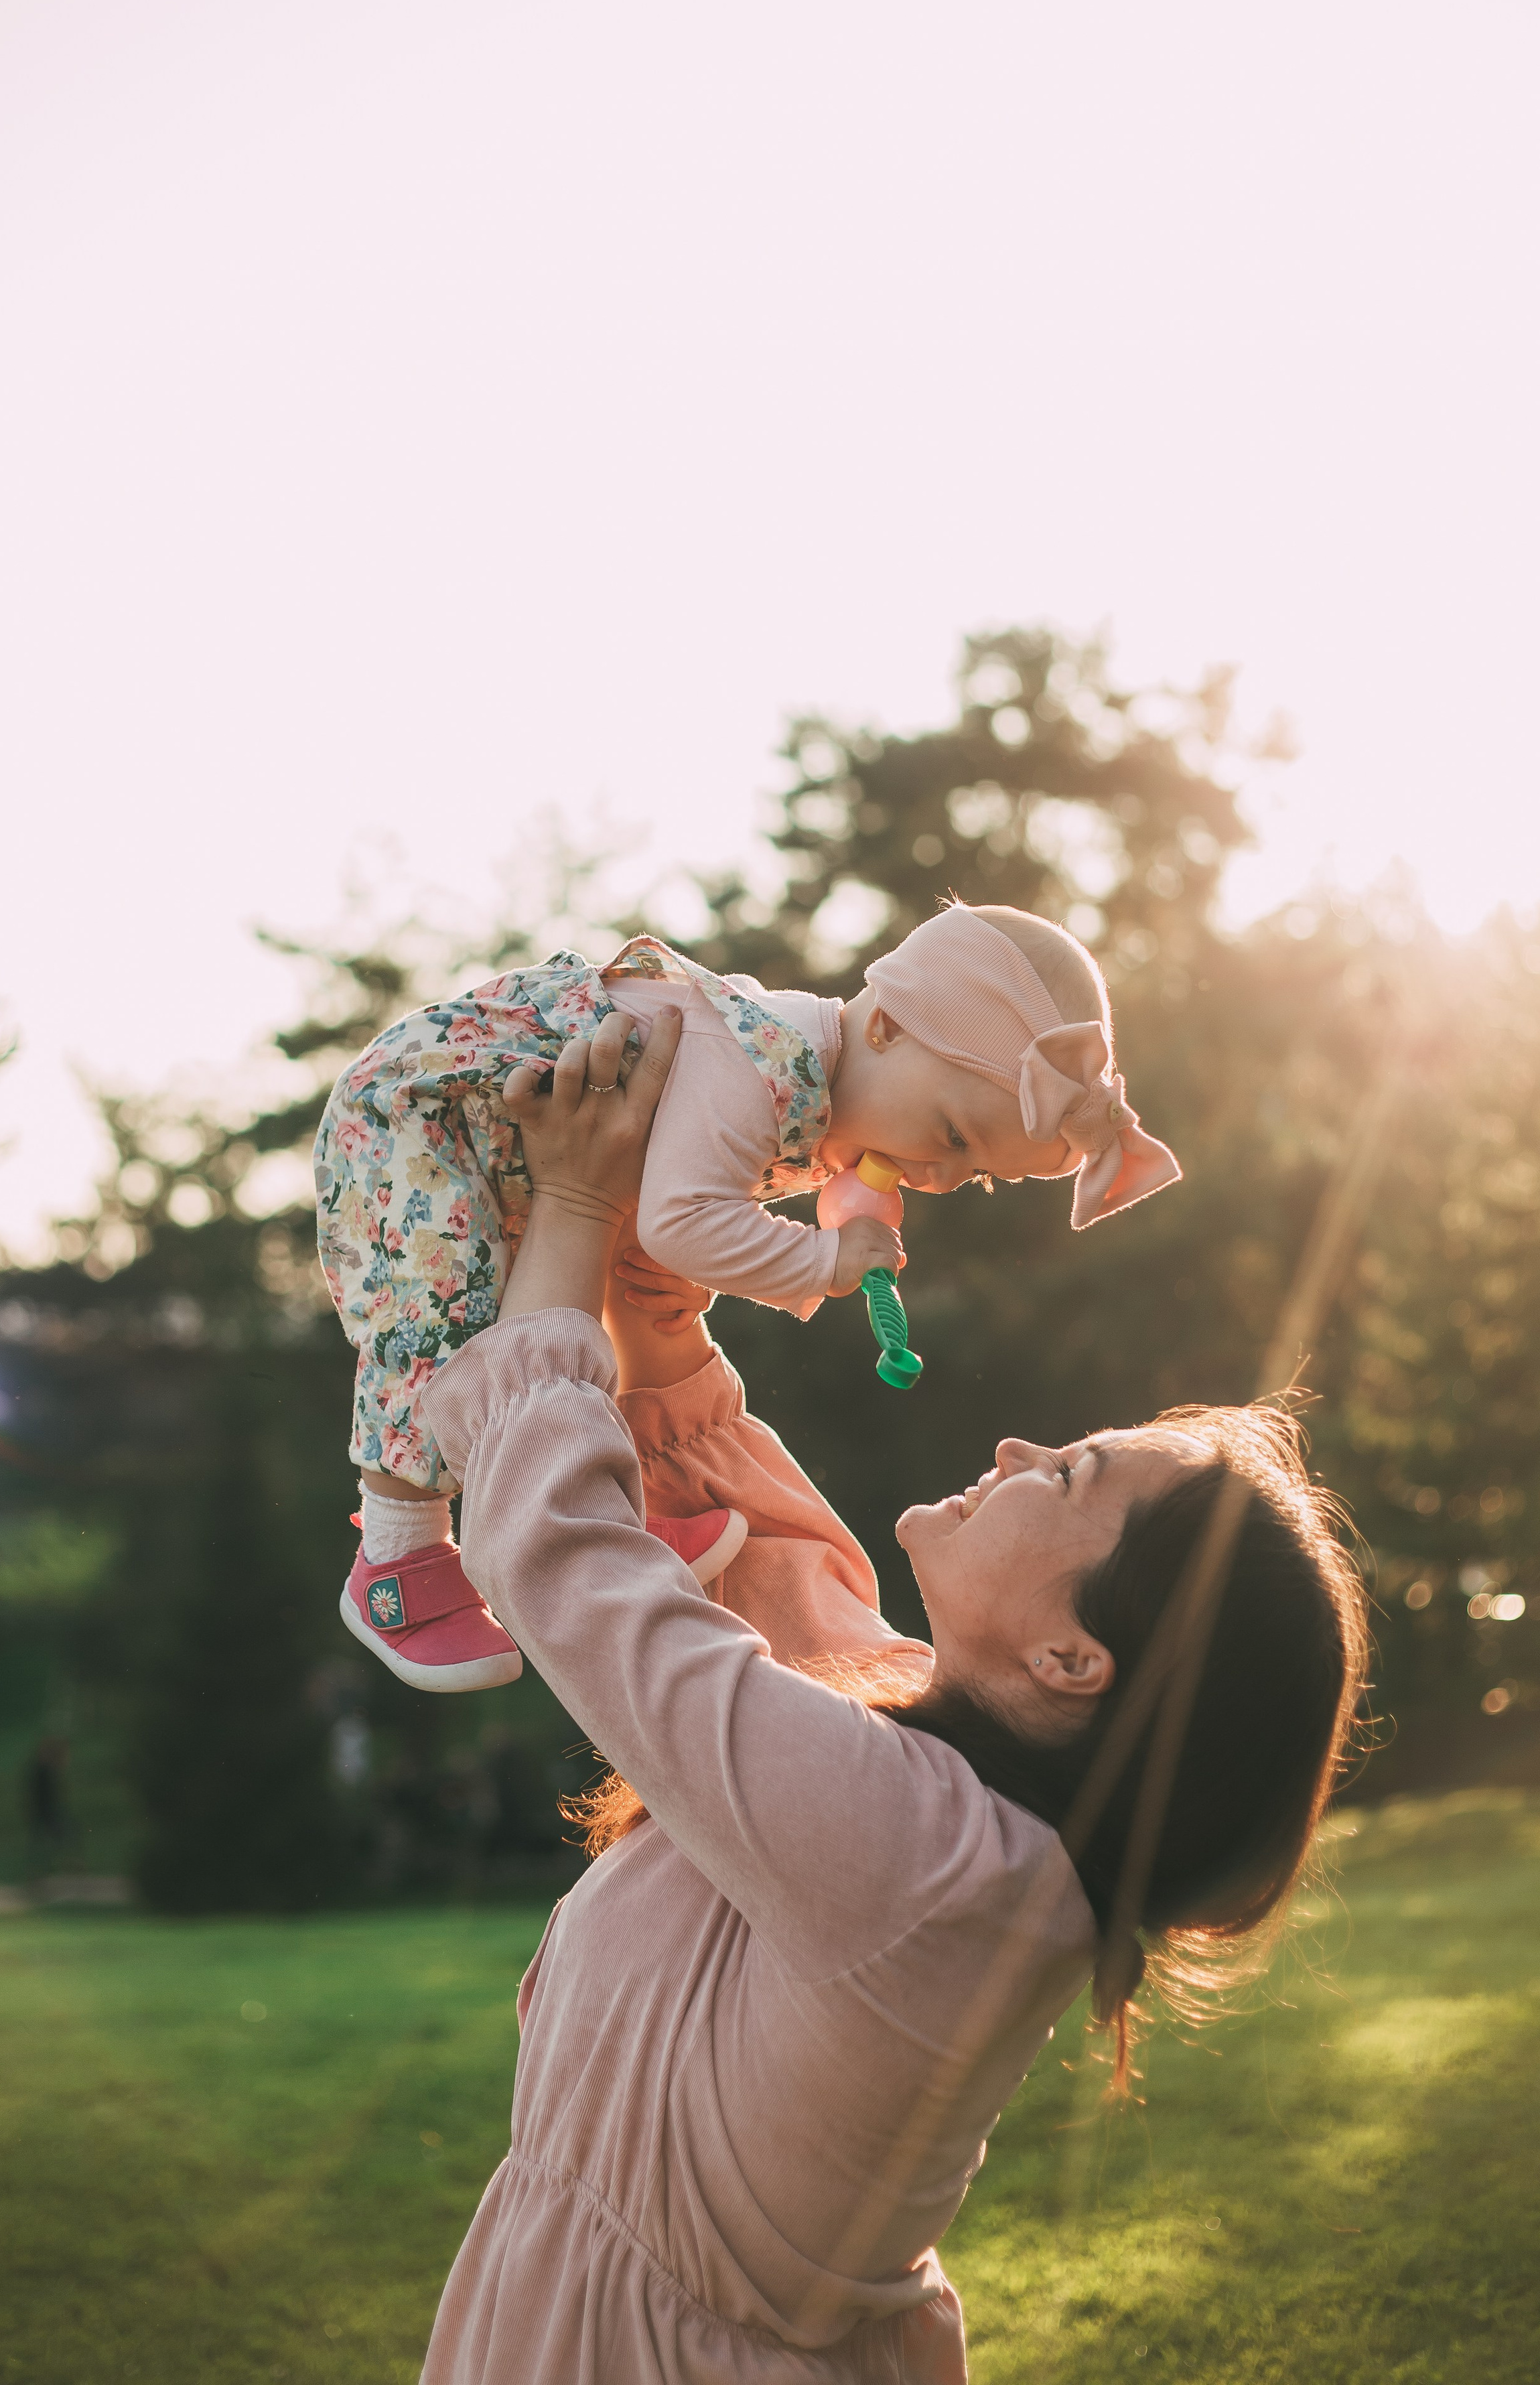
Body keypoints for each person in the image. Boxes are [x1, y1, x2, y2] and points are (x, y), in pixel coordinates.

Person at [412, 1006, 1367, 2383]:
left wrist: (568, 1201)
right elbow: (767, 1564)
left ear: (1071, 1660)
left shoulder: (927, 1859)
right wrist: (650, 1276)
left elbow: (572, 1572)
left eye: (1065, 1477)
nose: (1015, 1445)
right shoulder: (932, 1753)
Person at [316, 902, 1180, 1690]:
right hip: (421, 1120)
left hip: (518, 1150)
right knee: (445, 1317)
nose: (945, 1176)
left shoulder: (808, 1089)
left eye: (975, 1170)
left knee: (587, 1314)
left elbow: (672, 1212)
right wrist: (823, 1261)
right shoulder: (759, 1065)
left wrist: (687, 1256)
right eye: (952, 1134)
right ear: (883, 1025)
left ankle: (616, 1514)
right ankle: (397, 1557)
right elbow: (684, 1216)